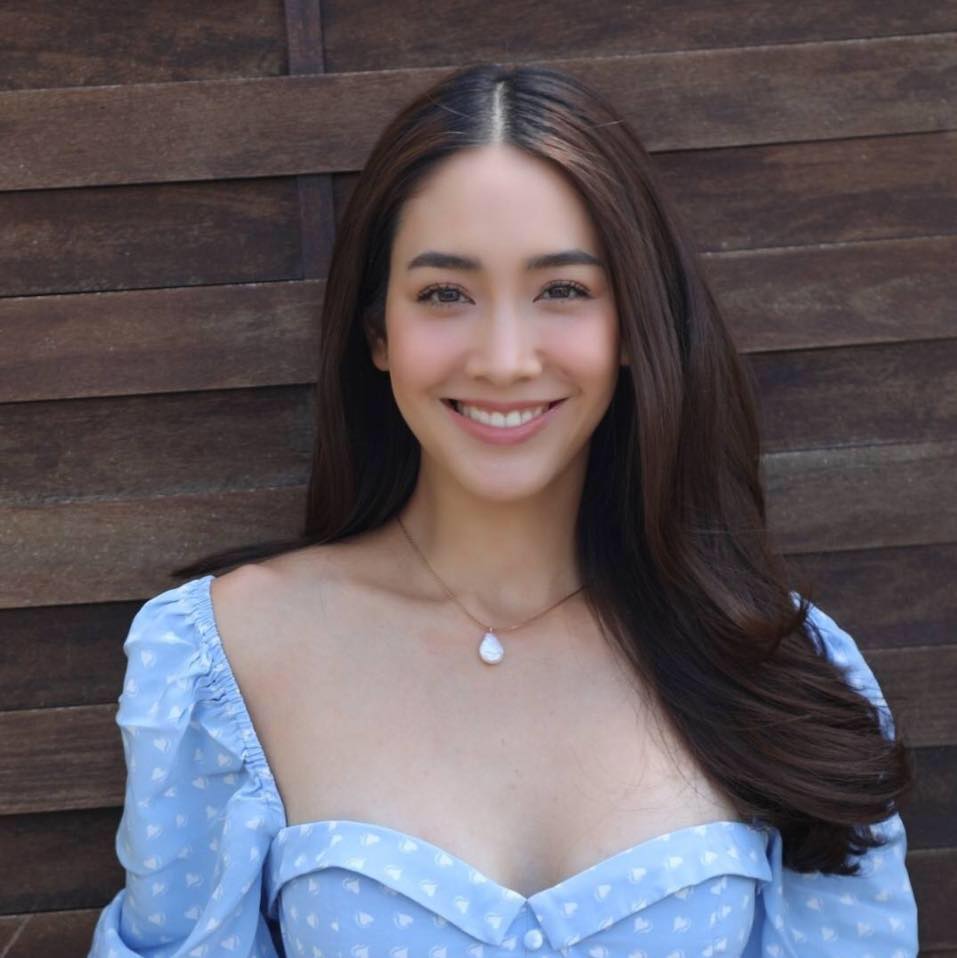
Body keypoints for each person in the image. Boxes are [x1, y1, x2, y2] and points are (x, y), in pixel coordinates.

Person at [88, 62, 918, 957]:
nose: (504, 358)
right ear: (378, 332)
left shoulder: (777, 666)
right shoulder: (221, 657)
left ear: (633, 325)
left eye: (562, 290)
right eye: (444, 294)